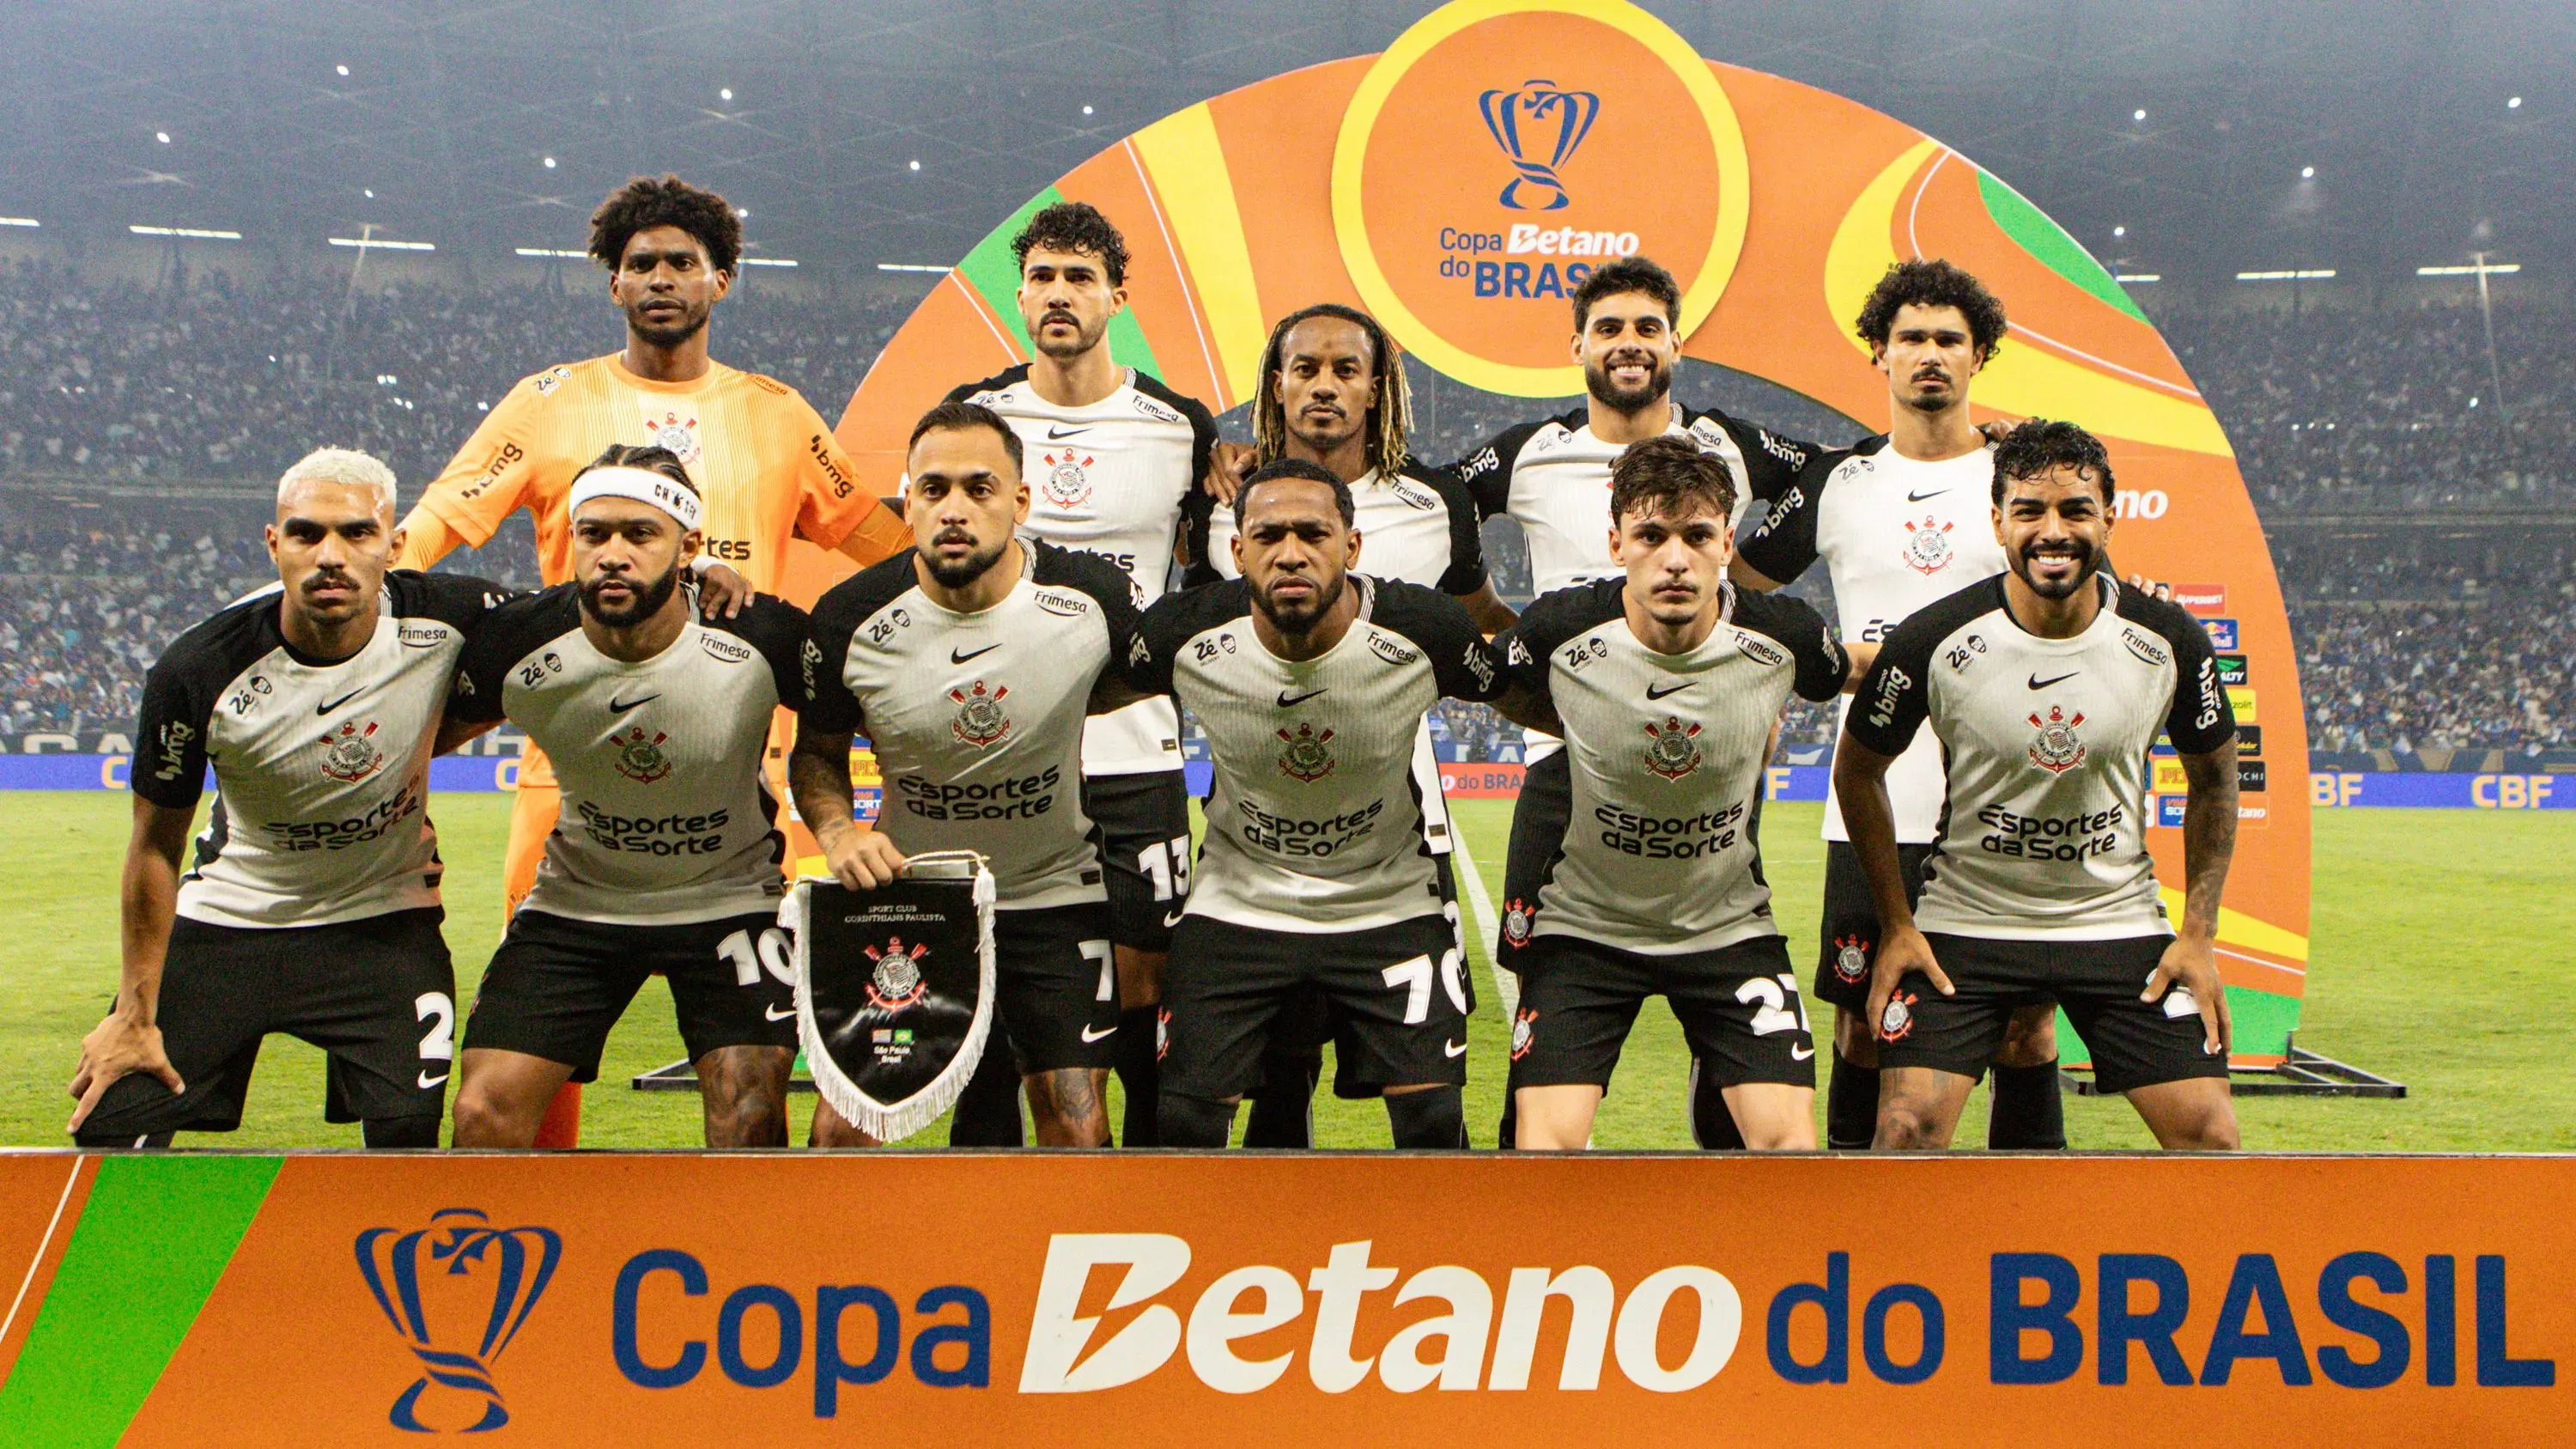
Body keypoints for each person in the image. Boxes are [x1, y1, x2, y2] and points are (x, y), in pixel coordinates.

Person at [394, 174, 909, 1145]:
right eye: (641, 265)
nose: (661, 278)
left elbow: (882, 544)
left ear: (721, 281)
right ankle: (539, 1237)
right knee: (532, 1058)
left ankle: (750, 1255)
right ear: (613, 286)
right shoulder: (546, 402)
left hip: (740, 769)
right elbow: (430, 529)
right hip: (569, 764)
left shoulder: (778, 412)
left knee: (760, 1072)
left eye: (682, 263)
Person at [1450, 254, 1819, 1148]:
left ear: (1676, 345)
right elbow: (1435, 497)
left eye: (1647, 327)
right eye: (1609, 328)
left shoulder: (1727, 442)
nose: (1627, 344)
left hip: (1701, 737)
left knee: (1708, 898)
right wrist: (1493, 613)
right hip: (1563, 772)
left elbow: (1832, 475)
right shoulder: (1531, 452)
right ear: (1576, 344)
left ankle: (1722, 1087)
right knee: (1543, 1025)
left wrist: (1752, 604)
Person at [68, 448, 511, 1148]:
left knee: (407, 1142)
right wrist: (134, 1011)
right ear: (275, 545)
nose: (330, 554)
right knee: (112, 1127)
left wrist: (698, 576)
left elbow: (578, 619)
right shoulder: (197, 667)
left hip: (383, 923)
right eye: (306, 533)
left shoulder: (451, 617)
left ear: (395, 545)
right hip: (231, 918)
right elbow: (155, 846)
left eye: (357, 533)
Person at [1734, 259, 2066, 1152]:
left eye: (1949, 340)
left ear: (1979, 356)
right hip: (1875, 796)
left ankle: (2026, 1234)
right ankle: (1849, 1233)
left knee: (2023, 1027)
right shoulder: (1835, 482)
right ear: (1879, 353)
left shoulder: (2025, 480)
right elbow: (1733, 593)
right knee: (1862, 1025)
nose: (1929, 356)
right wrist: (1817, 660)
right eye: (1911, 338)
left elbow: (2080, 618)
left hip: (2012, 795)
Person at [1837, 420, 2241, 1151]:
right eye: (2029, 511)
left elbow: (2216, 779)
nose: (2052, 531)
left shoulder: (2168, 640)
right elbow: (1858, 769)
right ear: (1997, 521)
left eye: (2075, 510)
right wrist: (1898, 922)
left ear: (2109, 518)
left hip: (2116, 923)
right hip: (1968, 922)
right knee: (1903, 1130)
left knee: (2212, 1136)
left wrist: (2200, 932)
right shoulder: (1932, 639)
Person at [1190, 302, 1512, 1148]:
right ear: (1277, 385)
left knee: (1430, 1097)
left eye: (1344, 369)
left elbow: (1483, 624)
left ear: (1378, 386)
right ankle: (1269, 1266)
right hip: (1259, 829)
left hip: (1399, 829)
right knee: (1276, 1085)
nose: (1324, 386)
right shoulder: (1235, 494)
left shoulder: (1436, 501)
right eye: (1304, 369)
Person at [939, 201, 1218, 1146]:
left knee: (1148, 968)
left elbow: (1212, 571)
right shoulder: (977, 416)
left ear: (1117, 297)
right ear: (1019, 296)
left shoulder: (1177, 424)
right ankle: (983, 1176)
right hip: (1000, 746)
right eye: (1045, 278)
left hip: (1134, 743)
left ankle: (1144, 1174)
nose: (1060, 294)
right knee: (989, 961)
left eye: (1080, 278)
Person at [1124, 460, 1504, 1150]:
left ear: (1351, 547)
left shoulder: (1425, 628)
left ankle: (1437, 1254)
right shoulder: (1182, 632)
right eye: (1268, 535)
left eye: (1313, 533)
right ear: (1237, 553)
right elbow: (1080, 696)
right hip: (1238, 902)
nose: (1291, 552)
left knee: (1432, 1123)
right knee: (1183, 1123)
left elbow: (1527, 697)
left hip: (1387, 899)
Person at [440, 447, 812, 1148]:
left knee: (750, 1110)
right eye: (595, 533)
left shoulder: (760, 632)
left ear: (688, 545)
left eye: (640, 534)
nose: (613, 553)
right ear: (569, 540)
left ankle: (746, 1258)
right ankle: (515, 1254)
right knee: (484, 1113)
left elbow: (840, 728)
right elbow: (420, 736)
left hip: (729, 899)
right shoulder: (521, 639)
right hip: (578, 903)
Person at [795, 402, 1145, 1147]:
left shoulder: (1093, 600)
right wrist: (837, 828)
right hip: (910, 901)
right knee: (839, 1133)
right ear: (908, 499)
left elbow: (1160, 674)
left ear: (1021, 500)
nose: (954, 509)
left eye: (980, 489)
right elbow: (817, 754)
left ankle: (1050, 1265)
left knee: (1077, 1126)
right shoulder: (849, 618)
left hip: (1054, 892)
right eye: (934, 488)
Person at [1493, 436, 1847, 1150]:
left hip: (1726, 928)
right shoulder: (1559, 630)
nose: (1676, 559)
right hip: (1586, 930)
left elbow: (1850, 672)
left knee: (1794, 1155)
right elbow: (1500, 685)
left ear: (1727, 543)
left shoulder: (1786, 637)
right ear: (1617, 541)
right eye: (1653, 535)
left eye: (1697, 535)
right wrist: (1571, 724)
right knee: (1542, 1155)